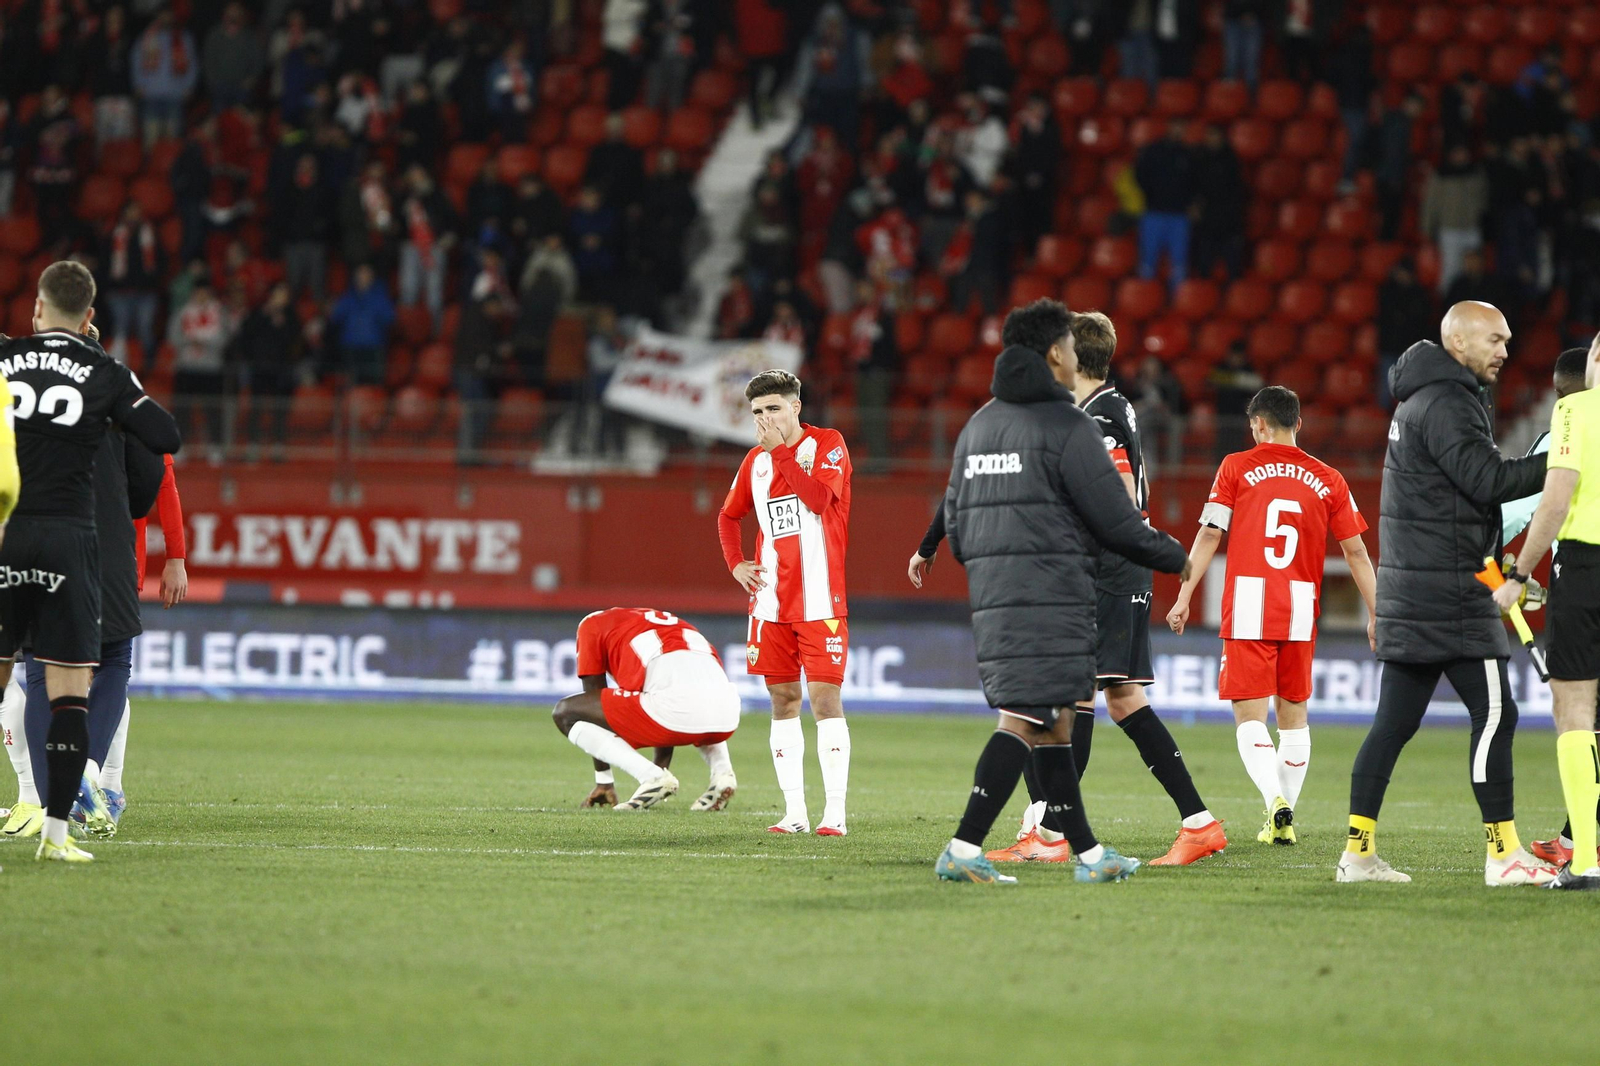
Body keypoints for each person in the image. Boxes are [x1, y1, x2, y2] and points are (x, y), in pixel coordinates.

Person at [928, 299, 1191, 884]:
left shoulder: (981, 423)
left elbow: (955, 517)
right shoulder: (1066, 424)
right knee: (1025, 718)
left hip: (997, 594)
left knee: (1056, 723)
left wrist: (994, 566)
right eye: (1071, 348)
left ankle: (1090, 856)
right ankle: (964, 848)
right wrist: (1176, 557)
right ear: (1054, 354)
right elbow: (1117, 520)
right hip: (1054, 592)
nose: (1078, 358)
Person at [984, 311, 1226, 867]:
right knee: (1121, 698)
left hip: (1105, 569)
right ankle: (1199, 822)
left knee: (1077, 696)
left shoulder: (1097, 416)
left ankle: (1049, 835)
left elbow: (1113, 489)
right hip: (1119, 568)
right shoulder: (1112, 407)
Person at [1338, 301, 1552, 886]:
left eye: (1508, 339)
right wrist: (1562, 459)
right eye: (1495, 339)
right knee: (1496, 716)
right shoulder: (1451, 401)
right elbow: (1488, 481)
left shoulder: (1417, 399)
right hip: (1453, 594)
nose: (1505, 349)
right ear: (1458, 343)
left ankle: (1357, 853)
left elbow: (1457, 496)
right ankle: (1504, 855)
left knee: (1392, 725)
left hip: (1413, 588)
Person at [0, 262, 182, 863]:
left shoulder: (7, 360)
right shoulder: (104, 372)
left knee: (19, 676)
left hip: (9, 533)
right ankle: (59, 830)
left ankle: (31, 800)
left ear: (37, 309)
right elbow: (163, 437)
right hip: (74, 539)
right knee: (79, 682)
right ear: (90, 317)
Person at [1168, 386, 1377, 843]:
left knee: (1249, 718)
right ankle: (1283, 822)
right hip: (1301, 607)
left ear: (1259, 424)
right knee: (1294, 720)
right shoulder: (1330, 479)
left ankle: (1273, 801)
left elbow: (1208, 536)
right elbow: (1357, 551)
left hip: (1248, 603)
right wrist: (1377, 613)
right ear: (1298, 424)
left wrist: (1184, 594)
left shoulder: (1236, 467)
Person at [717, 369, 853, 836]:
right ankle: (794, 812)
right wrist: (736, 563)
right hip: (770, 602)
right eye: (757, 412)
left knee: (824, 699)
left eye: (773, 408)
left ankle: (834, 813)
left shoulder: (828, 444)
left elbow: (817, 501)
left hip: (820, 599)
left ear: (796, 406)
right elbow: (729, 515)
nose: (765, 419)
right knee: (783, 698)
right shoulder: (753, 462)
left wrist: (780, 452)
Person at [1492, 337, 1600, 889]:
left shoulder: (1573, 412)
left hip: (1585, 566)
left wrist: (1515, 575)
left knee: (1576, 707)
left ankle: (1582, 855)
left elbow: (1552, 501)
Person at [552, 608, 739, 812]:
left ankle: (651, 777)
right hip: (728, 713)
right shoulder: (670, 623)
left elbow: (593, 705)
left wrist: (604, 780)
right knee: (685, 697)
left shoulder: (592, 624)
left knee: (565, 712)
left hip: (675, 709)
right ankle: (722, 773)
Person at [1135, 119, 1196, 292]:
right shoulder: (1153, 151)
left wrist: (1189, 202)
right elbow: (1140, 175)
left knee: (1179, 264)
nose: (1178, 131)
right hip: (1154, 213)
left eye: (1181, 127)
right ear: (1168, 127)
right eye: (1176, 126)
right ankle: (1145, 300)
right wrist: (1152, 194)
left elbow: (1195, 183)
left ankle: (1178, 303)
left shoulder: (1188, 155)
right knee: (1147, 262)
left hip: (1179, 216)